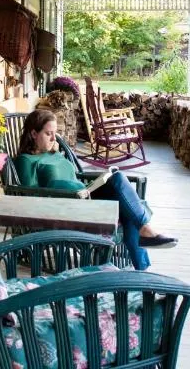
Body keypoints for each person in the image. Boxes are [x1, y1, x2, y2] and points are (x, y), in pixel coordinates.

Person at [15, 109, 177, 270]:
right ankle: (144, 249)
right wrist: (59, 186)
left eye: (55, 133)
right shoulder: (26, 160)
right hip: (67, 208)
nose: (53, 138)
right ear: (34, 134)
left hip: (85, 197)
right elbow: (30, 194)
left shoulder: (54, 154)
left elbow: (74, 175)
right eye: (48, 133)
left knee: (119, 181)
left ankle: (143, 252)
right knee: (128, 208)